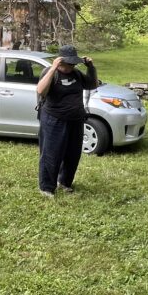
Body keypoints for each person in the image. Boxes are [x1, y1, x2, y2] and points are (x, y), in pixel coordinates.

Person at [35, 45, 98, 197]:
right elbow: (40, 90)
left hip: (75, 119)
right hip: (54, 119)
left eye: (73, 64)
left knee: (73, 153)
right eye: (68, 64)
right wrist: (52, 68)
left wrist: (91, 67)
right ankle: (46, 188)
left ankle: (64, 182)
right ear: (60, 61)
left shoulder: (76, 73)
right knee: (51, 153)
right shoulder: (50, 72)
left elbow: (91, 84)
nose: (71, 67)